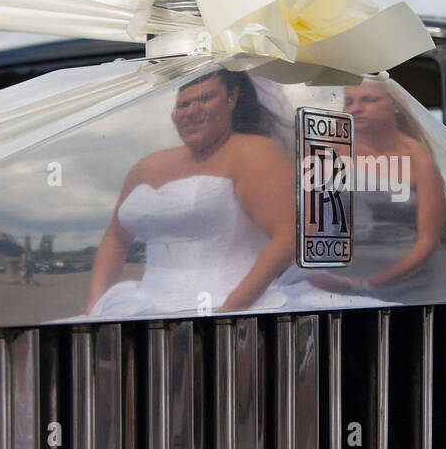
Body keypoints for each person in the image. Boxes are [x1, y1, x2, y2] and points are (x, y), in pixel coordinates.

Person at [86, 68, 300, 316]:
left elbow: (287, 236)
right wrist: (95, 305)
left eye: (206, 98)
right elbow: (115, 238)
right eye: (183, 104)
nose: (191, 111)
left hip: (233, 305)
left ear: (232, 98)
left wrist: (227, 313)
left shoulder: (255, 152)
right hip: (141, 305)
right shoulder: (147, 166)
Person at [307, 79, 446, 304]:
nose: (355, 108)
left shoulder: (418, 157)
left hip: (415, 285)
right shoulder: (331, 149)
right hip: (340, 283)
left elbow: (428, 240)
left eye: (368, 99)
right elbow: (312, 222)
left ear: (394, 105)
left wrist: (369, 283)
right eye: (349, 101)